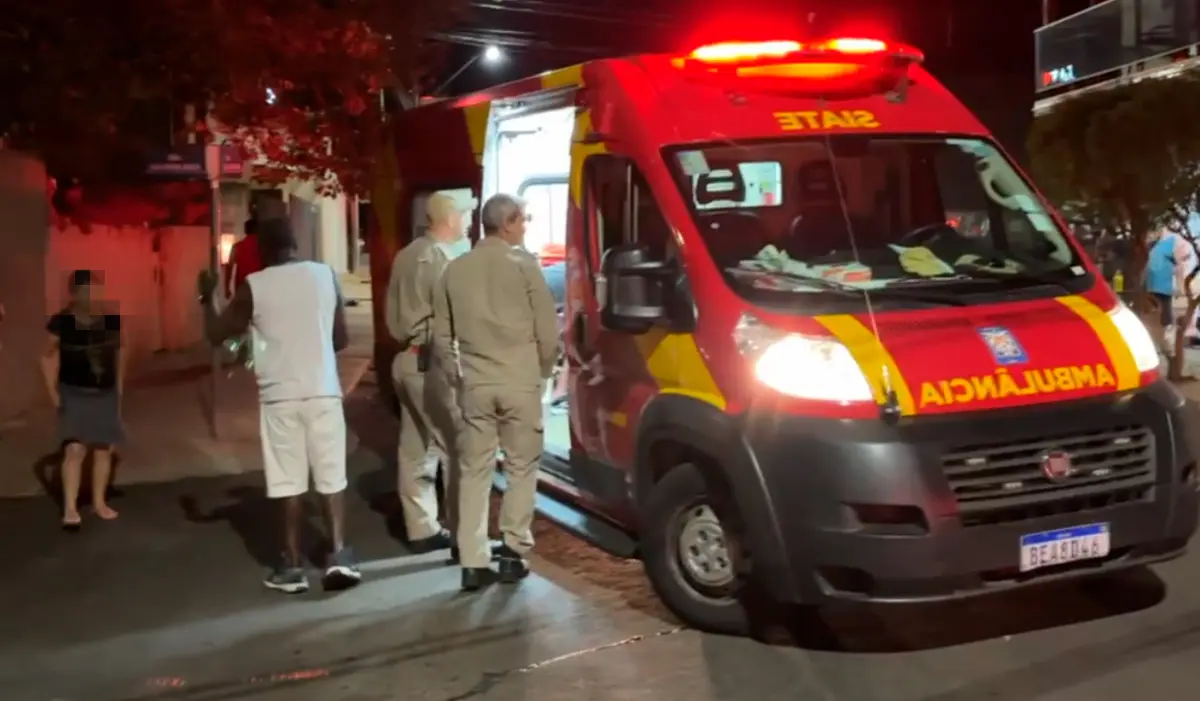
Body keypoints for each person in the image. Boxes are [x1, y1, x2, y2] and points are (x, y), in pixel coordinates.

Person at [198, 218, 360, 594]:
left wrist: (208, 298)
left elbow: (217, 335)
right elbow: (340, 339)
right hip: (323, 390)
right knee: (331, 476)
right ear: (295, 243)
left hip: (280, 396)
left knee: (288, 480)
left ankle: (291, 566)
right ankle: (339, 555)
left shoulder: (254, 287)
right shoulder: (324, 276)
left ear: (260, 249)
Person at [432, 193, 558, 591]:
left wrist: (459, 377)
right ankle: (514, 551)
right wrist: (541, 371)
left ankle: (472, 559)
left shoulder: (454, 270)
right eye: (523, 220)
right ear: (508, 223)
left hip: (476, 385)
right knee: (521, 468)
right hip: (519, 382)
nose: (524, 228)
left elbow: (440, 338)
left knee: (474, 470)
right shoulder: (525, 266)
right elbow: (548, 333)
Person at [385, 192, 471, 554]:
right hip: (430, 362)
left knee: (416, 448)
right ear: (451, 217)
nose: (468, 221)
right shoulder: (440, 260)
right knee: (457, 448)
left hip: (406, 359)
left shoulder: (407, 253)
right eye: (466, 214)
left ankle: (421, 529)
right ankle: (466, 537)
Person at [42, 270, 125, 530]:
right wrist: (54, 395)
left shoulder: (111, 319)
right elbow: (45, 357)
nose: (95, 297)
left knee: (103, 449)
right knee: (74, 450)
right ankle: (70, 508)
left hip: (105, 391)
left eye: (98, 290)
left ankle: (100, 503)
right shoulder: (62, 322)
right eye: (89, 291)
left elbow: (121, 350)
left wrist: (119, 388)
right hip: (74, 391)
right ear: (76, 294)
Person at [224, 218, 262, 299]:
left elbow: (229, 268)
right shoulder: (263, 247)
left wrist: (226, 288)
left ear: (245, 231)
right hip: (259, 286)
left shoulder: (237, 247)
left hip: (242, 287)